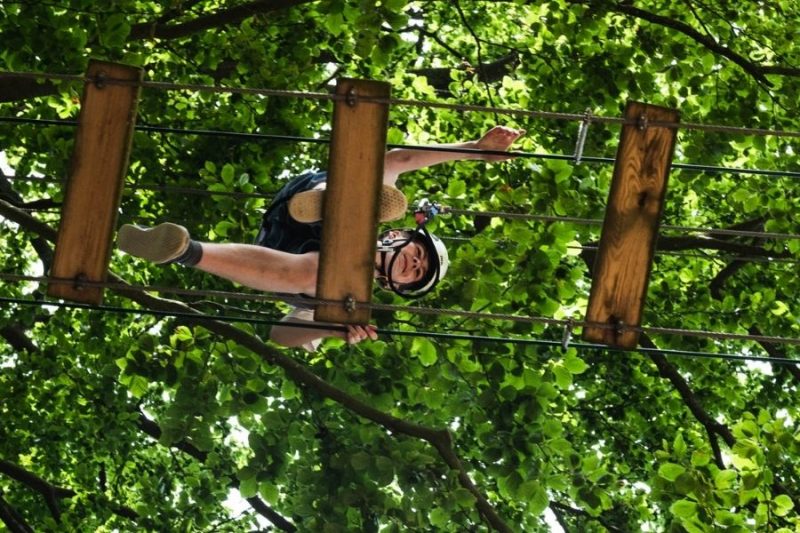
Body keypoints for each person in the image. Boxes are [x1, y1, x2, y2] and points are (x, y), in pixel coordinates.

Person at [119, 126, 524, 349]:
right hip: (303, 204)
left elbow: (280, 334)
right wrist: (475, 148)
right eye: (418, 255)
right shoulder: (383, 212)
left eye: (415, 274)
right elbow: (404, 159)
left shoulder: (346, 301)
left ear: (396, 286)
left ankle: (181, 250)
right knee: (378, 179)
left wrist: (329, 329)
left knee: (325, 283)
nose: (415, 264)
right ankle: (336, 203)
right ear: (401, 236)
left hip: (285, 259)